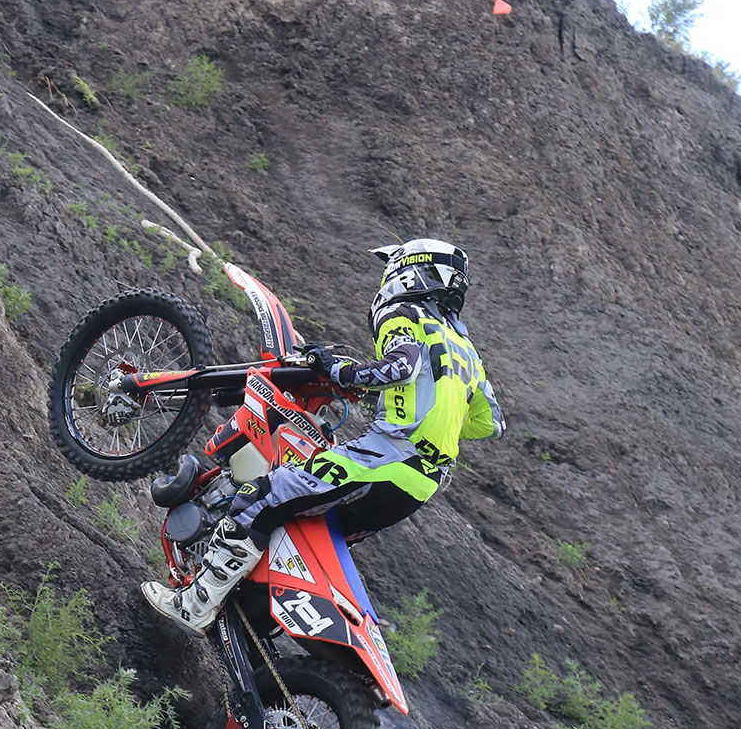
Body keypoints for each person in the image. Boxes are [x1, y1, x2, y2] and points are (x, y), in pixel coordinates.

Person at [141, 238, 506, 636]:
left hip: (387, 458)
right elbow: (490, 423)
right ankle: (248, 622)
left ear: (411, 273)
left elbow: (400, 367)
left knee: (260, 497)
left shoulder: (406, 314)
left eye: (391, 271)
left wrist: (339, 373)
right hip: (420, 486)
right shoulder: (466, 351)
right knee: (296, 532)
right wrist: (431, 411)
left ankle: (194, 605)